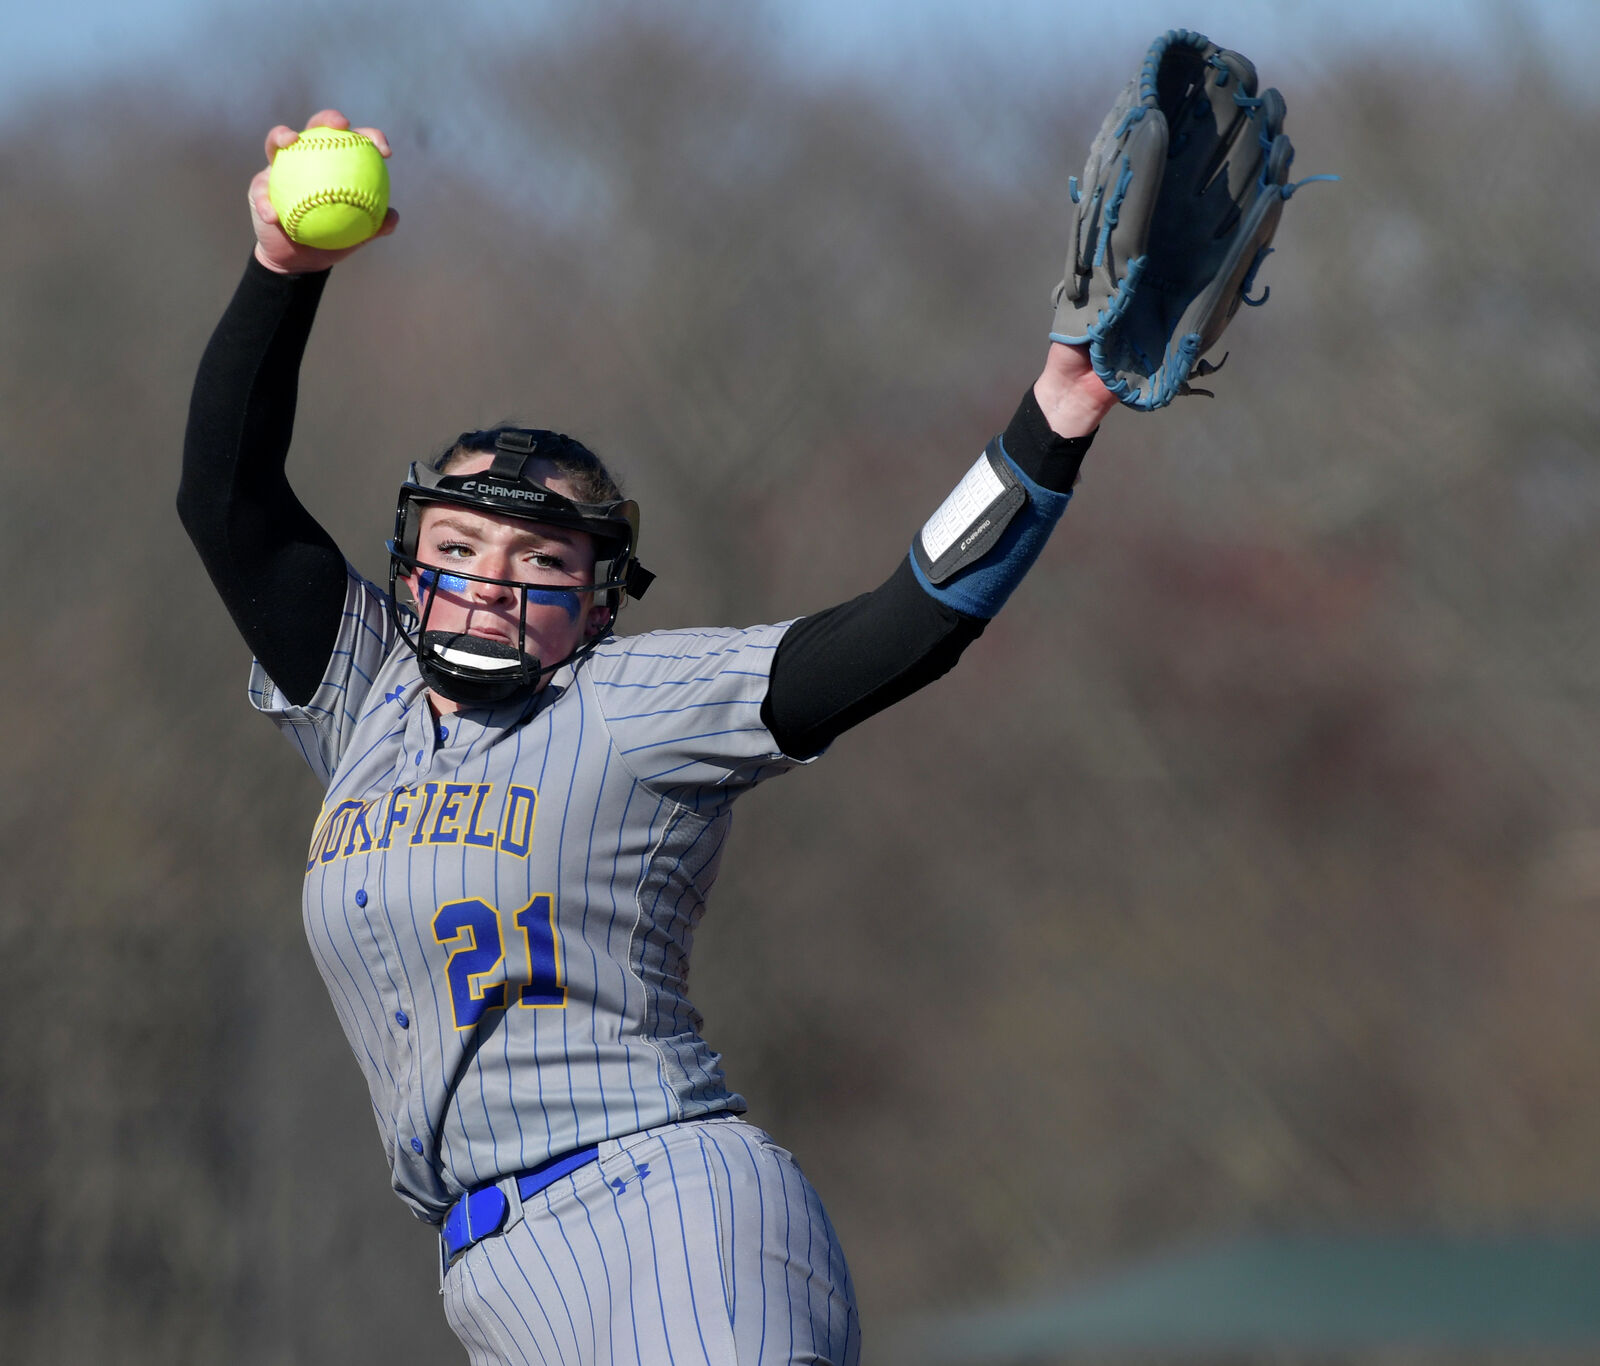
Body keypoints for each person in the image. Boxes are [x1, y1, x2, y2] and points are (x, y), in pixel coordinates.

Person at [181, 110, 1115, 1366]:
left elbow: (901, 626)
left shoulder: (628, 704)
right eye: (458, 549)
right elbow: (226, 500)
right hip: (491, 1276)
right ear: (413, 562)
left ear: (599, 591)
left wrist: (1051, 418)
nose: (489, 584)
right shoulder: (370, 703)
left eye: (538, 559)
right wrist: (281, 275)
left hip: (665, 1209)